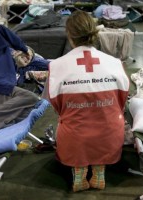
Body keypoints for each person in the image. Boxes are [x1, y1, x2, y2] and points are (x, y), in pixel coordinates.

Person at [42, 10, 130, 192]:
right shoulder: (115, 62)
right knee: (107, 125)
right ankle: (99, 174)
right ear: (94, 32)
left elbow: (55, 105)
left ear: (69, 35)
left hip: (75, 137)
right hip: (110, 134)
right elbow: (121, 102)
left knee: (72, 126)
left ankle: (79, 176)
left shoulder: (57, 66)